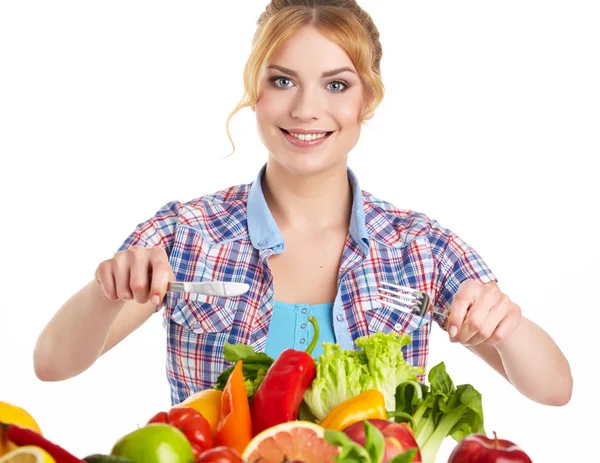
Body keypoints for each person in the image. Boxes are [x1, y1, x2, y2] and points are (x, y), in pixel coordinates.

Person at [33, 0, 572, 408]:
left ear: (368, 100)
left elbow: (554, 389)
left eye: (336, 85)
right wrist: (109, 288)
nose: (307, 108)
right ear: (255, 91)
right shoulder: (185, 234)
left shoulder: (419, 247)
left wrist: (507, 324)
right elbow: (52, 364)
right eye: (283, 80)